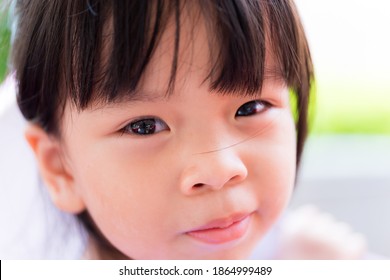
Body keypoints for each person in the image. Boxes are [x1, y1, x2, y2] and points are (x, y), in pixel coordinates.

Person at [7, 0, 366, 259]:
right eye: (145, 127)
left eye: (251, 107)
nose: (220, 170)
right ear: (62, 169)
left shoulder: (304, 253)